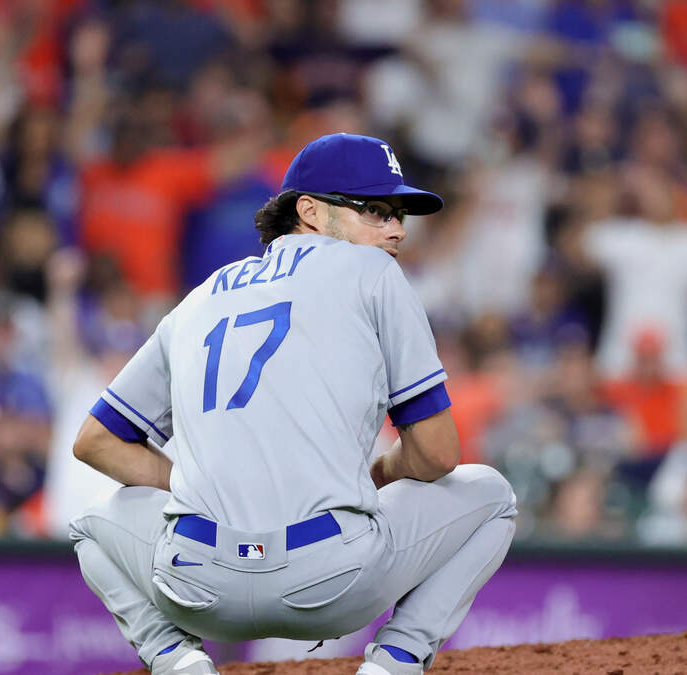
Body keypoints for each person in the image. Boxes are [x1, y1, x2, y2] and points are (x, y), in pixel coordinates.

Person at [68, 133, 518, 675]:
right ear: (309, 210)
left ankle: (173, 660)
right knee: (492, 496)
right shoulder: (373, 273)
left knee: (91, 522)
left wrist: (196, 487)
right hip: (332, 580)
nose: (396, 228)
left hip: (199, 583)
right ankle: (395, 662)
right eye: (375, 210)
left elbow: (95, 441)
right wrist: (378, 473)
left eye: (399, 214)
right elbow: (438, 455)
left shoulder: (200, 297)